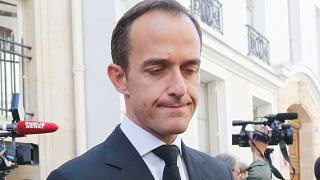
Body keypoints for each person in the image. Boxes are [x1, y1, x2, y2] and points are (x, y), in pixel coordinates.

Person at [47, 0, 233, 179]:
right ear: (120, 79)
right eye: (156, 70)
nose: (180, 88)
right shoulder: (74, 177)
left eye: (190, 70)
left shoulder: (219, 173)